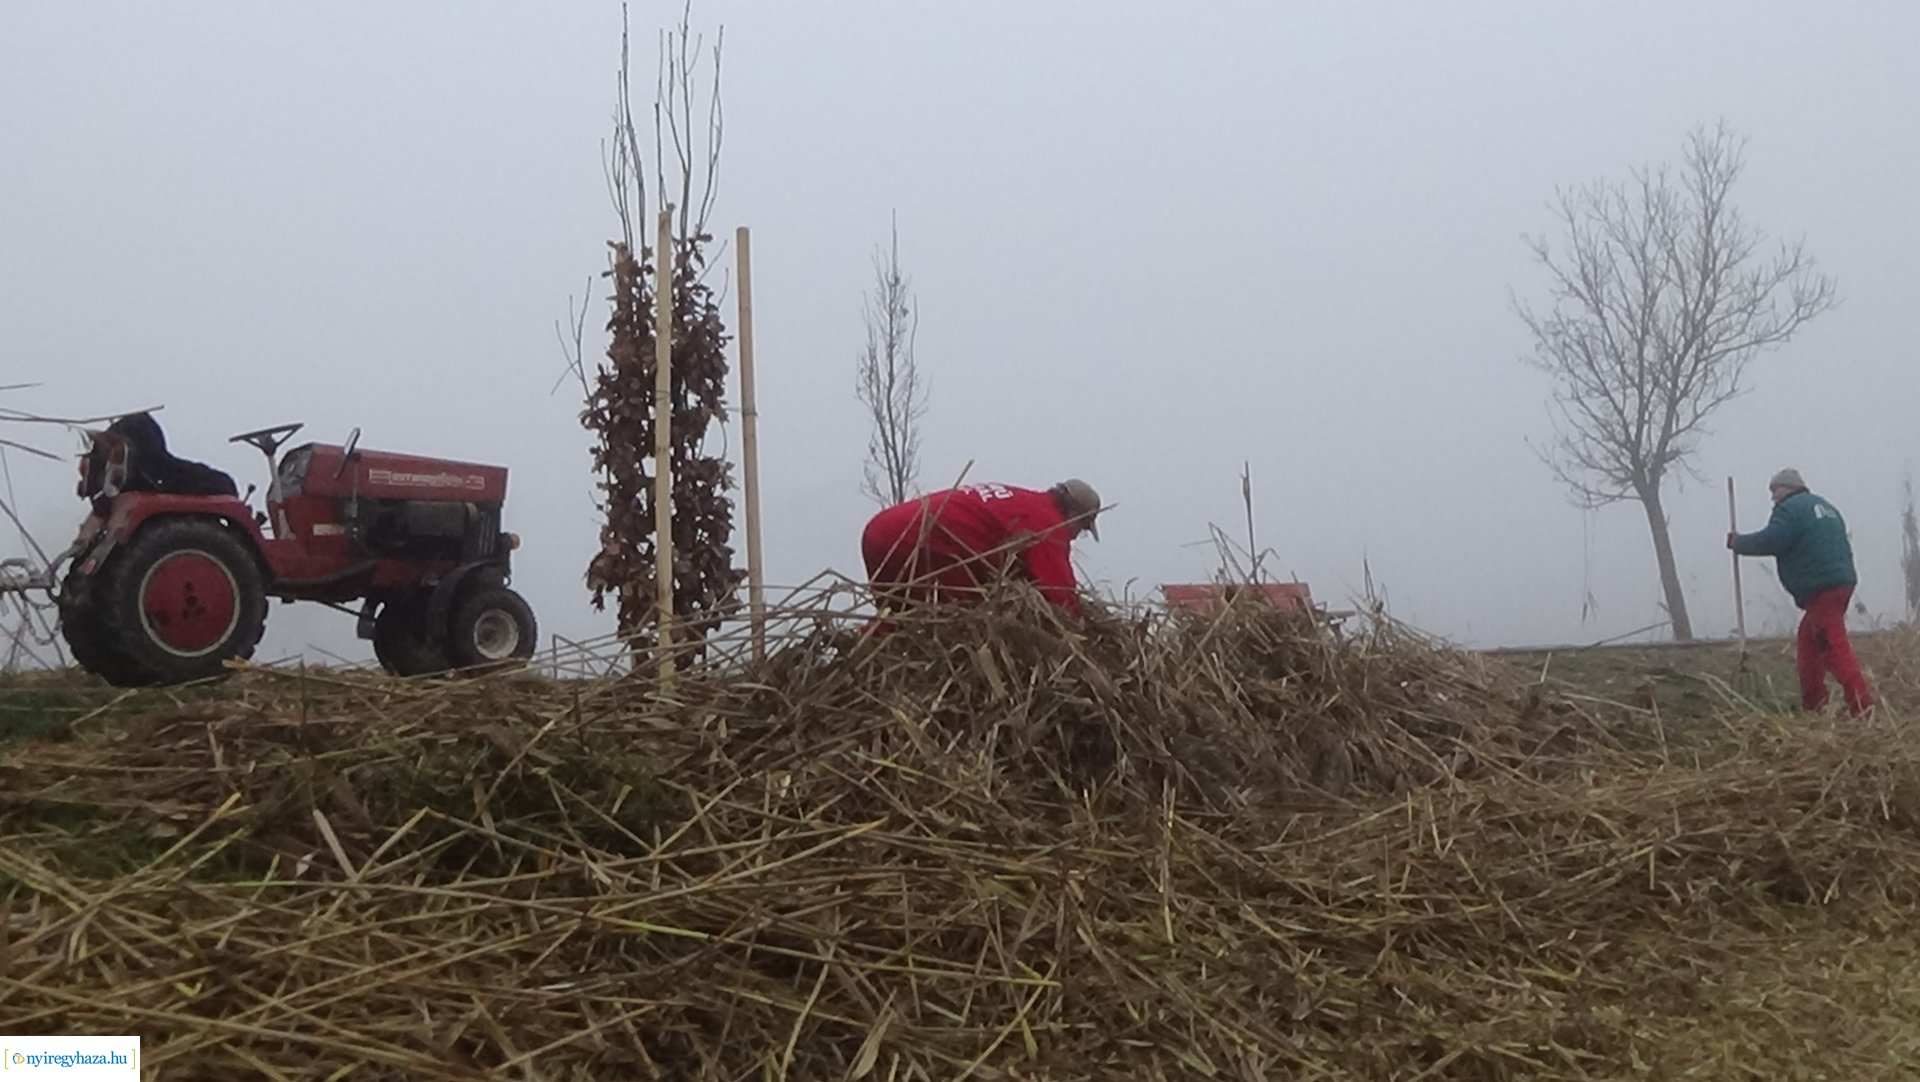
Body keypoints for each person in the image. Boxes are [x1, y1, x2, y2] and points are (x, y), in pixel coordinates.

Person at [1728, 468, 1876, 716]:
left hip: (1821, 588)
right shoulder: (1824, 507)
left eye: (1776, 489)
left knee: (1833, 647)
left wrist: (1738, 543)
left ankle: (1863, 706)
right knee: (1808, 644)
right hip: (1841, 582)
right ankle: (1814, 705)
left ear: (1790, 487)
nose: (1773, 496)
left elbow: (1773, 540)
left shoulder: (1790, 508)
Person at [861, 479, 1102, 619]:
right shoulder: (1047, 523)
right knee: (964, 622)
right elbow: (1060, 595)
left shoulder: (1023, 500)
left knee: (898, 623)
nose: (1076, 537)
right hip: (916, 542)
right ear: (1074, 515)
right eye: (1081, 528)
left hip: (881, 530)